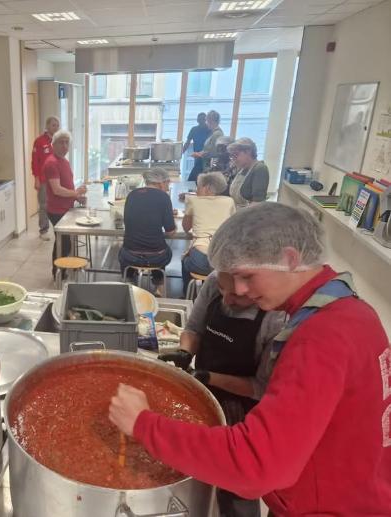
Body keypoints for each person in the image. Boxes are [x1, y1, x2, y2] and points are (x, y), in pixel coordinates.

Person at [109, 202, 391, 515]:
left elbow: (256, 465)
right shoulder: (352, 311)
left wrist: (144, 423)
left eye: (247, 276)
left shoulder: (321, 336)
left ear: (290, 259)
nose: (239, 290)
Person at [160, 271, 286, 516]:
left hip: (243, 410)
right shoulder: (216, 280)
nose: (227, 299)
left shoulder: (276, 318)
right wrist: (185, 352)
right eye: (222, 289)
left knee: (236, 491)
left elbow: (260, 387)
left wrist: (208, 377)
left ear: (255, 287)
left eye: (237, 296)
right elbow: (194, 329)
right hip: (201, 393)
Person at [118, 168, 175, 294]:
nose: (168, 186)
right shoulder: (164, 197)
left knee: (126, 250)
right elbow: (170, 231)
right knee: (163, 250)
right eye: (167, 182)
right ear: (160, 183)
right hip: (156, 258)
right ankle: (159, 285)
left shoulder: (132, 195)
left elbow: (128, 222)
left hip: (130, 256)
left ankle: (129, 281)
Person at [181, 172, 236, 291]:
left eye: (198, 187)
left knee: (184, 260)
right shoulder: (229, 201)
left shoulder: (193, 201)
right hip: (223, 261)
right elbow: (232, 226)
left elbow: (186, 227)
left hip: (201, 258)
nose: (196, 190)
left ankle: (187, 293)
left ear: (206, 187)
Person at [43, 129, 87, 278]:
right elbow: (57, 190)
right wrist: (76, 193)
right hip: (56, 210)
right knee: (63, 242)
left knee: (64, 241)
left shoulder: (64, 161)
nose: (64, 146)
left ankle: (61, 270)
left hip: (66, 208)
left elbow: (67, 185)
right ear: (53, 144)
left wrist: (76, 197)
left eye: (67, 143)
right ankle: (58, 272)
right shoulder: (51, 163)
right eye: (61, 142)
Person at [31, 116, 60, 241]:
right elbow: (35, 162)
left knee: (57, 203)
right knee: (44, 205)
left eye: (57, 125)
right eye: (53, 125)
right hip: (43, 179)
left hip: (56, 179)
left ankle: (58, 228)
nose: (56, 127)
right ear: (47, 126)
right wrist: (36, 178)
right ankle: (43, 230)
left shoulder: (58, 141)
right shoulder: (39, 141)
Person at [227, 137, 269, 209]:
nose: (233, 159)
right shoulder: (241, 168)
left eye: (236, 155)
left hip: (249, 213)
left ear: (248, 151)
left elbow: (258, 203)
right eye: (232, 156)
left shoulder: (260, 169)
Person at [191, 110, 224, 179]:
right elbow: (207, 149)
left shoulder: (217, 134)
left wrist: (199, 154)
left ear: (211, 121)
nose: (206, 123)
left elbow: (214, 153)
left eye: (207, 121)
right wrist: (199, 153)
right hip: (206, 166)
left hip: (210, 167)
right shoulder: (213, 133)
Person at [183, 113, 212, 182]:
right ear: (197, 120)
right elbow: (187, 142)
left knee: (199, 177)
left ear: (205, 120)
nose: (201, 121)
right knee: (196, 176)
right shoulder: (194, 129)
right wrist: (181, 152)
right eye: (199, 120)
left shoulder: (210, 130)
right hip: (197, 156)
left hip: (206, 157)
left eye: (203, 119)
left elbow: (212, 145)